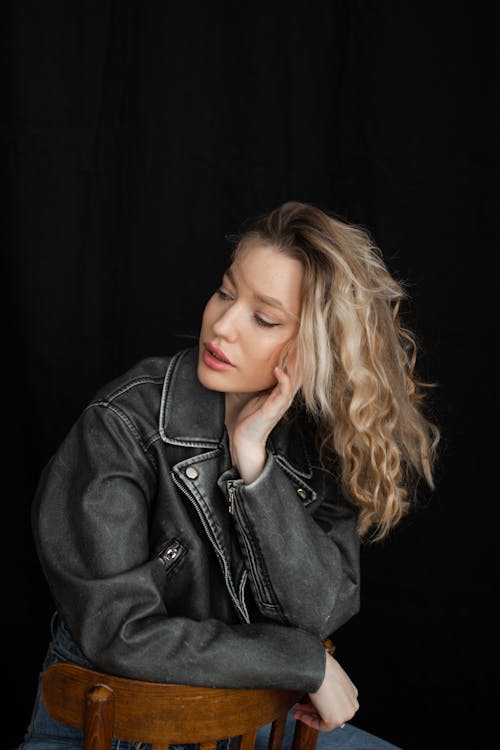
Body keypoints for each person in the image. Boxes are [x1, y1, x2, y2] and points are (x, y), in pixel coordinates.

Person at [20, 201, 439, 750]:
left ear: (313, 348)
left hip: (249, 725)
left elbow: (318, 611)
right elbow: (120, 635)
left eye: (264, 318)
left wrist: (254, 461)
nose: (220, 326)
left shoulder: (318, 441)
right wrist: (303, 664)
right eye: (225, 291)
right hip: (114, 726)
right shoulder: (121, 424)